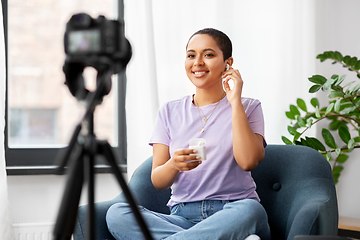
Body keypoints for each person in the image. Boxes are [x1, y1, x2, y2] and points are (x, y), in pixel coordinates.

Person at [106, 28, 271, 240]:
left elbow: (248, 161)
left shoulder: (249, 107)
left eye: (208, 55)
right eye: (191, 55)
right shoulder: (169, 111)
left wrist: (235, 102)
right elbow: (158, 180)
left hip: (232, 213)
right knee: (118, 214)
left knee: (251, 211)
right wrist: (174, 164)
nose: (198, 62)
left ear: (228, 63)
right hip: (181, 217)